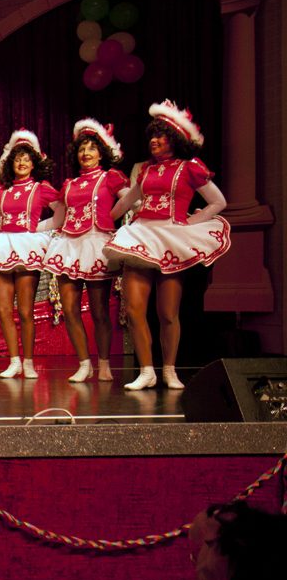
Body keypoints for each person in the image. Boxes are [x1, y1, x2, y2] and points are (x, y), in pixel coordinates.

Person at [104, 100, 230, 390]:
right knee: (134, 310)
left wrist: (192, 222)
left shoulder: (190, 167)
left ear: (175, 139)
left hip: (170, 239)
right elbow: (125, 203)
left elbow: (218, 202)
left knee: (167, 313)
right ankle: (147, 371)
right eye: (152, 135)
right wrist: (101, 222)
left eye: (160, 135)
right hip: (140, 236)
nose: (154, 140)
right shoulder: (146, 171)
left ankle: (170, 370)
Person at [44, 119, 129, 382]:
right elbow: (58, 219)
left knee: (99, 310)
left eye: (92, 148)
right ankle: (83, 364)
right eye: (82, 148)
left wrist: (110, 217)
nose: (86, 153)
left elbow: (131, 199)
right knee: (69, 308)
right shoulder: (69, 184)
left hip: (95, 244)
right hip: (69, 245)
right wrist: (25, 229)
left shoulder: (110, 177)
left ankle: (104, 364)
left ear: (102, 153)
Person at [0, 130, 65, 379]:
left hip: (27, 246)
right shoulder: (1, 188)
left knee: (26, 310)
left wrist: (36, 228)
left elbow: (60, 214)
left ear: (34, 163)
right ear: (11, 162)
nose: (22, 162)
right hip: (2, 245)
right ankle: (14, 361)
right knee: (4, 309)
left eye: (27, 158)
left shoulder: (41, 188)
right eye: (18, 158)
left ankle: (28, 361)